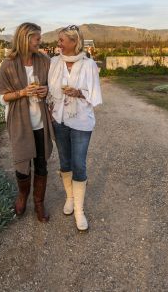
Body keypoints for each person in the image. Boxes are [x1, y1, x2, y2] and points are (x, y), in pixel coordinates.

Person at [0, 23, 54, 222]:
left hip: (40, 122)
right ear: (25, 39)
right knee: (23, 163)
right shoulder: (8, 64)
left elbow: (53, 88)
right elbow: (2, 97)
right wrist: (22, 92)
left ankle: (39, 202)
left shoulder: (45, 60)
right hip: (20, 123)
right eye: (37, 38)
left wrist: (46, 90)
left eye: (40, 38)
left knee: (41, 164)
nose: (40, 41)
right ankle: (22, 196)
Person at [47, 25, 102, 231]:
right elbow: (49, 88)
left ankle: (79, 210)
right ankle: (69, 198)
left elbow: (94, 94)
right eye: (58, 40)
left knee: (79, 164)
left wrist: (78, 93)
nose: (58, 44)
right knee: (65, 162)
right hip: (59, 119)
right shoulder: (54, 62)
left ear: (73, 42)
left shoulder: (89, 65)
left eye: (61, 40)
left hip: (80, 121)